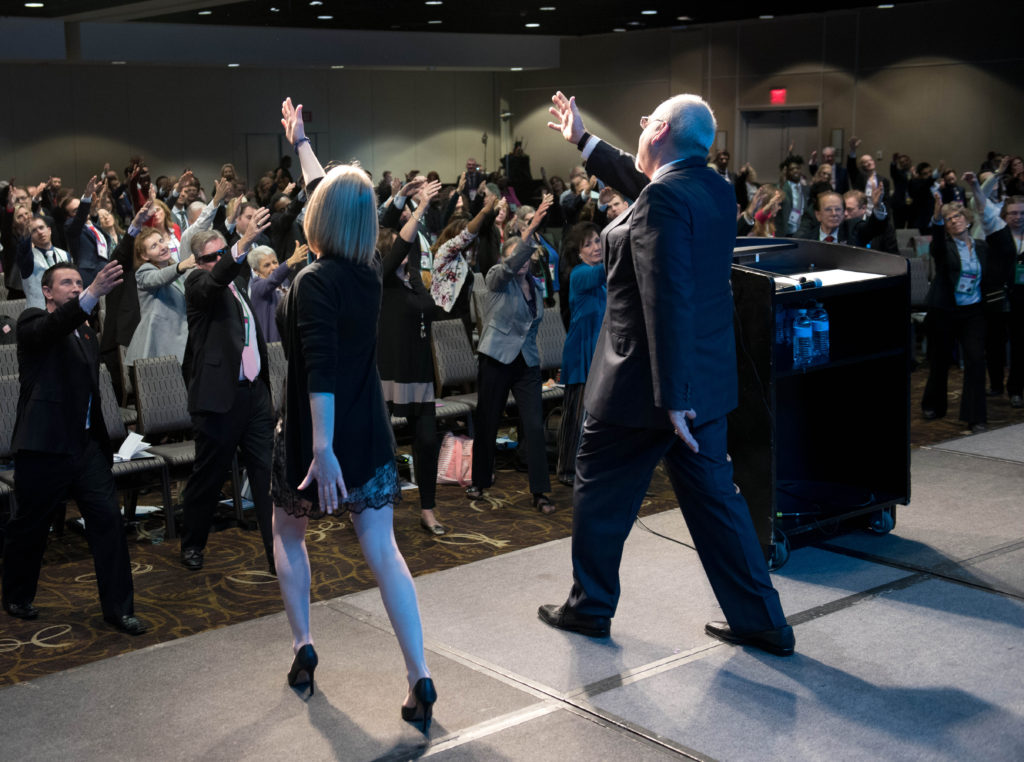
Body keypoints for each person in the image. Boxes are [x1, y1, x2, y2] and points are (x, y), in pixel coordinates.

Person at [537, 91, 794, 656]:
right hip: (700, 387)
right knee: (717, 504)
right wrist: (584, 141)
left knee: (600, 493)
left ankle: (590, 608)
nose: (638, 124)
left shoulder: (663, 200)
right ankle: (763, 621)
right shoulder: (711, 190)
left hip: (643, 391)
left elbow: (667, 299)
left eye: (646, 118)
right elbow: (645, 189)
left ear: (658, 130)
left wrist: (671, 397)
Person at [272, 98, 435, 728]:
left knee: (289, 533)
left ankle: (303, 646)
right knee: (384, 550)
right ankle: (419, 674)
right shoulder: (366, 268)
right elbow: (331, 193)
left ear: (320, 217)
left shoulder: (314, 280)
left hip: (323, 435)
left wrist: (320, 448)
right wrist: (303, 142)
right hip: (367, 427)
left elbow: (320, 373)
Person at [2, 259, 147, 635]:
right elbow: (53, 327)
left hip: (84, 449)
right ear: (47, 292)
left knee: (108, 522)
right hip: (43, 447)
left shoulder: (86, 334)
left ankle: (118, 609)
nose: (75, 287)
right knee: (30, 527)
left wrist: (104, 445)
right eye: (66, 282)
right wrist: (93, 293)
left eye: (79, 282)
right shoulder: (32, 321)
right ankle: (17, 594)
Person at [179, 216, 276, 574]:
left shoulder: (238, 284)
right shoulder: (197, 284)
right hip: (219, 400)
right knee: (208, 476)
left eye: (222, 254)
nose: (217, 261)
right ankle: (192, 543)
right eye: (210, 257)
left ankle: (276, 553)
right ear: (198, 262)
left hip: (253, 397)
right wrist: (237, 248)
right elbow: (211, 284)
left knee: (266, 476)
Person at [466, 194, 556, 513]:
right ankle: (479, 480)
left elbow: (530, 330)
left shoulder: (538, 287)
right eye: (515, 255)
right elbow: (507, 268)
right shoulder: (497, 279)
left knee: (533, 425)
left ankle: (540, 492)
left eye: (526, 256)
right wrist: (528, 232)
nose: (522, 260)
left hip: (527, 362)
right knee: (488, 421)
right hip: (495, 358)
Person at [377, 179, 448, 535]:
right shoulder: (384, 277)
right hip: (389, 369)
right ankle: (374, 509)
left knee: (426, 441)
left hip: (419, 370)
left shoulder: (413, 280)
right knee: (381, 443)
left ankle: (428, 510)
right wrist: (416, 207)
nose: (409, 253)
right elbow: (399, 237)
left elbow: (430, 309)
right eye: (403, 251)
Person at [921, 174, 1014, 432]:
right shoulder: (944, 248)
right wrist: (937, 219)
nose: (954, 220)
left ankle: (976, 416)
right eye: (949, 219)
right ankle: (933, 404)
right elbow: (937, 243)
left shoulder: (982, 247)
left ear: (967, 219)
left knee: (975, 360)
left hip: (973, 312)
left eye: (958, 216)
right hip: (944, 311)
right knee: (940, 360)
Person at [556, 221, 605, 486]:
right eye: (588, 244)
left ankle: (592, 466)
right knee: (576, 415)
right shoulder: (579, 274)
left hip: (599, 352)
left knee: (598, 416)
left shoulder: (599, 279)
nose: (596, 247)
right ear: (579, 252)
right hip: (581, 351)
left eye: (598, 240)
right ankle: (566, 470)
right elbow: (604, 273)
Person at [123, 228, 196, 367]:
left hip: (182, 343)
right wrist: (181, 266)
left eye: (161, 241)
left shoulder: (174, 269)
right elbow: (159, 277)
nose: (162, 247)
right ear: (145, 256)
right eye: (154, 246)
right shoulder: (143, 273)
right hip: (158, 350)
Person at [247, 241, 308, 344]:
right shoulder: (256, 287)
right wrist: (290, 262)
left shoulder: (285, 281)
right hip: (272, 345)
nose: (274, 267)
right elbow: (271, 281)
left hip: (289, 341)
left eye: (275, 262)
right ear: (256, 270)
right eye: (267, 265)